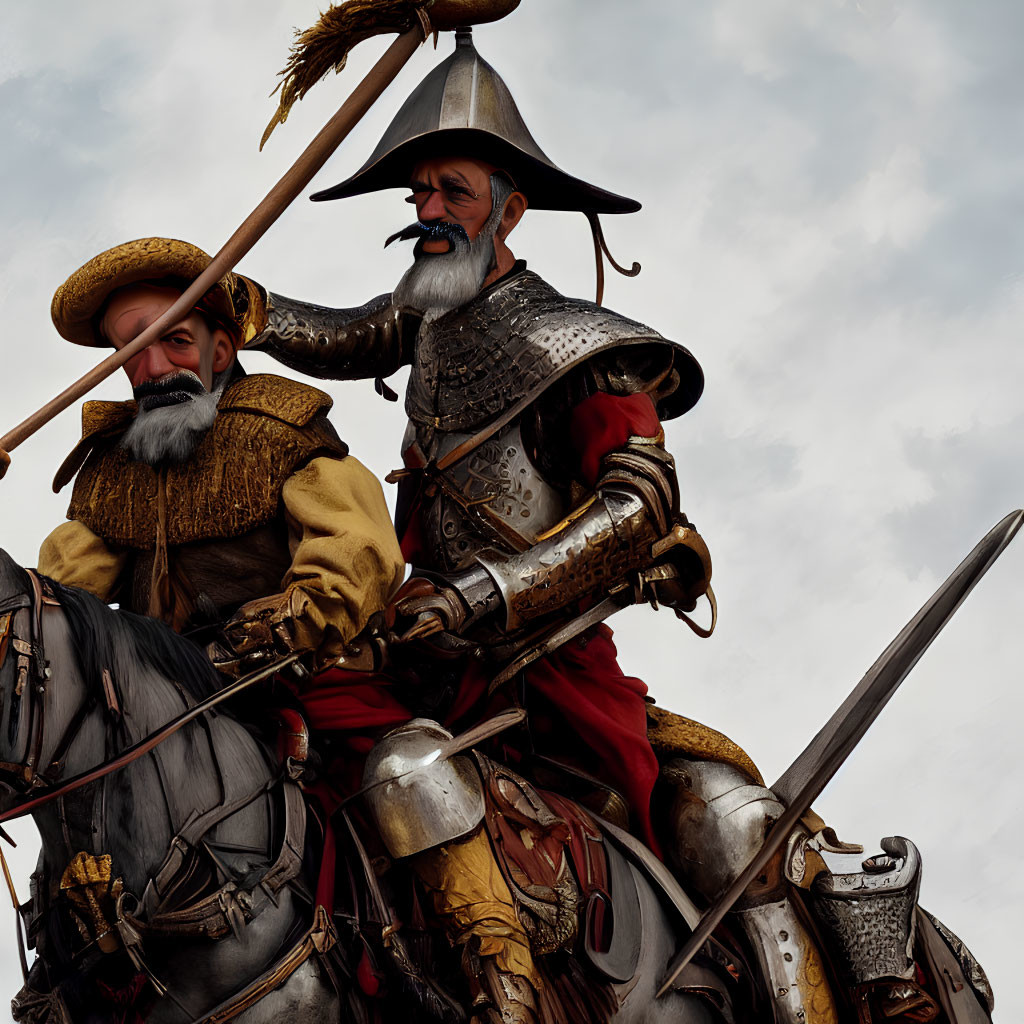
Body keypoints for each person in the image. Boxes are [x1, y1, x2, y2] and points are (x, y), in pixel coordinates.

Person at [249, 28, 996, 1024]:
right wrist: (230, 306)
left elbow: (638, 508)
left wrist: (483, 591)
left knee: (721, 826)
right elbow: (338, 335)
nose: (428, 213)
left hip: (552, 666)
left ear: (510, 209)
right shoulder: (422, 317)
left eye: (451, 191)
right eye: (417, 195)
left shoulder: (583, 349)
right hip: (425, 667)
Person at [40, 236, 405, 674]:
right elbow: (60, 601)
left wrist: (273, 633)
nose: (152, 370)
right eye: (132, 352)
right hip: (154, 693)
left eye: (176, 341)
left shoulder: (278, 424)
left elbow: (357, 551)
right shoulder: (115, 462)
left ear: (222, 350)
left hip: (288, 678)